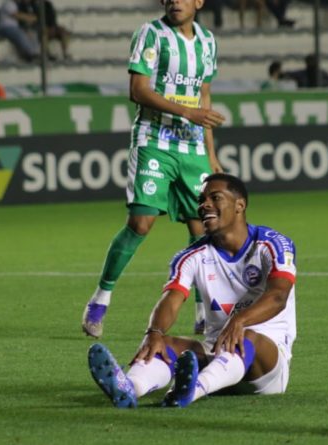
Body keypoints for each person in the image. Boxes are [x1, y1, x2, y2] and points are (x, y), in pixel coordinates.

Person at [87, 174, 297, 409]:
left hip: (267, 368)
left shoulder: (273, 244)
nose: (204, 205)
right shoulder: (190, 256)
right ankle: (130, 387)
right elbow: (172, 299)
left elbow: (279, 296)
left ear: (240, 205)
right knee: (163, 345)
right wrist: (154, 332)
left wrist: (240, 320)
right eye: (201, 199)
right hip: (219, 358)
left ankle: (193, 388)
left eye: (214, 197)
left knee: (245, 337)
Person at [81, 0, 225, 339]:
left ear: (198, 2)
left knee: (203, 230)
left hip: (192, 149)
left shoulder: (207, 41)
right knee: (141, 222)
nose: (175, 1)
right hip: (154, 140)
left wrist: (211, 153)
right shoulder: (151, 34)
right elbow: (138, 90)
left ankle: (203, 311)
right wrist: (188, 113)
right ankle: (101, 298)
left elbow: (204, 95)